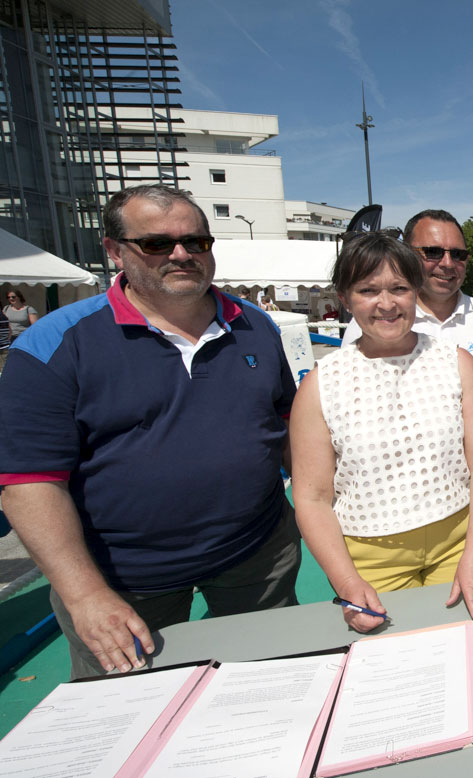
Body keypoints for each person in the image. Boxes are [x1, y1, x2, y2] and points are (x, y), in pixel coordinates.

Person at [0, 185, 301, 679]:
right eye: (157, 243)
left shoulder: (255, 326)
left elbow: (288, 429)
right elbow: (29, 483)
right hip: (122, 581)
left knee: (270, 687)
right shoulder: (54, 343)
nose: (181, 254)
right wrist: (86, 595)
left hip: (257, 558)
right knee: (134, 717)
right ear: (114, 250)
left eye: (196, 242)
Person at [290, 231, 473, 631]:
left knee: (466, 648)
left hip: (458, 544)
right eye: (368, 290)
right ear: (346, 298)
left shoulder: (456, 363)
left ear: (415, 292)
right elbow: (313, 497)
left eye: (399, 288)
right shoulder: (322, 383)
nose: (386, 304)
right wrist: (347, 580)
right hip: (370, 560)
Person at [340, 211, 473, 389]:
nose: (448, 263)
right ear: (406, 253)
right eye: (433, 252)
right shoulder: (374, 321)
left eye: (457, 254)